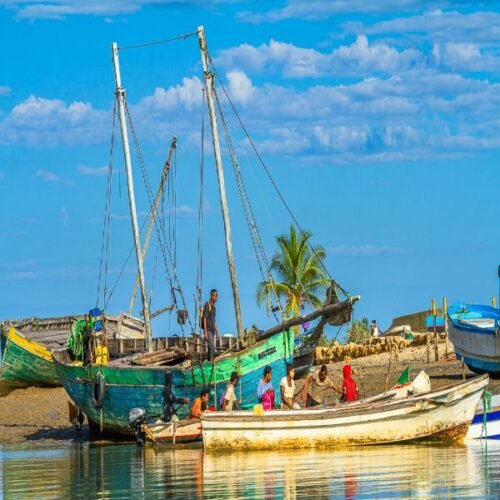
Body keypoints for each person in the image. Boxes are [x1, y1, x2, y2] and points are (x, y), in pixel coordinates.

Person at [202, 289, 219, 361]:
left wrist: (218, 332)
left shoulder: (214, 308)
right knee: (212, 347)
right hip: (208, 330)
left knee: (210, 348)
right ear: (212, 296)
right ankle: (211, 362)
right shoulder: (207, 305)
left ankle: (209, 361)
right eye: (216, 296)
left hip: (212, 331)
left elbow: (214, 321)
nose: (217, 298)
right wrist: (205, 332)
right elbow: (204, 318)